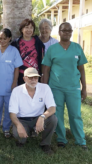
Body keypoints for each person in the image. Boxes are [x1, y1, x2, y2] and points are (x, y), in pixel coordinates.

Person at [42, 22, 88, 150]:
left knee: (75, 114)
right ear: (59, 32)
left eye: (69, 31)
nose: (66, 33)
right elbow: (46, 69)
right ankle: (61, 139)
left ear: (71, 32)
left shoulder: (77, 48)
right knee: (58, 114)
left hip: (73, 88)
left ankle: (80, 140)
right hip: (56, 88)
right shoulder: (52, 49)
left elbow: (82, 69)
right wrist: (45, 88)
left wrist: (84, 88)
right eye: (64, 30)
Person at [9, 67, 57, 155]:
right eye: (30, 77)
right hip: (23, 120)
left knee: (53, 119)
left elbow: (52, 108)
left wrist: (42, 117)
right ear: (24, 78)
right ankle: (23, 138)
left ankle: (45, 144)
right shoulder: (16, 91)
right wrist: (18, 125)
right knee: (19, 136)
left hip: (38, 118)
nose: (34, 80)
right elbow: (12, 114)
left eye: (36, 77)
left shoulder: (45, 88)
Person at [0, 28, 23, 138]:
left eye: (4, 39)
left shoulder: (14, 51)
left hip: (9, 86)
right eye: (0, 39)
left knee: (9, 108)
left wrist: (14, 83)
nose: (2, 41)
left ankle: (6, 128)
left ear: (9, 39)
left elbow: (17, 68)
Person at [11, 19, 45, 85]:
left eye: (31, 28)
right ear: (22, 29)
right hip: (21, 76)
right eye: (26, 27)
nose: (29, 30)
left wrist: (42, 75)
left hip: (35, 75)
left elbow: (42, 60)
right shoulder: (16, 43)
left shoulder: (38, 42)